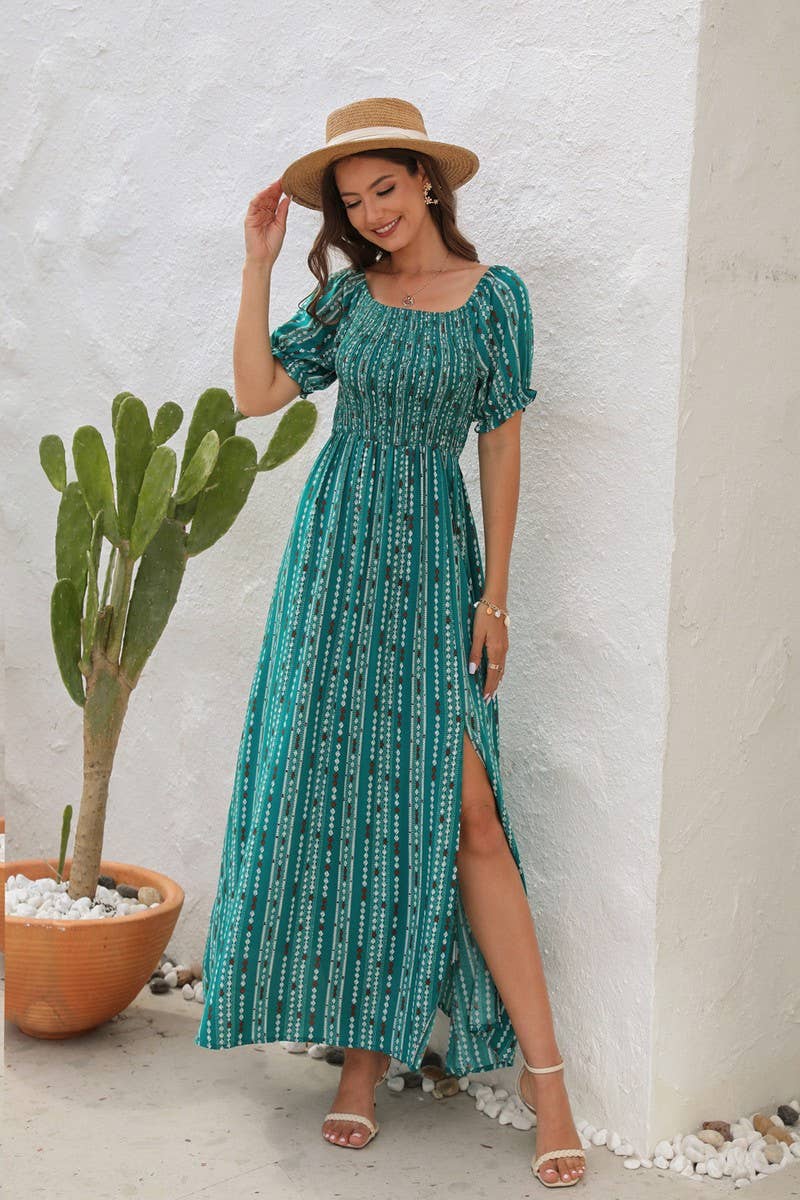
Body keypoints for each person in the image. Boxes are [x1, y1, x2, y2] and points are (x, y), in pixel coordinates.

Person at [194, 97, 585, 1188]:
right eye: (350, 201)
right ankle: (359, 1066)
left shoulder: (493, 298)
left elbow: (500, 448)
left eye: (384, 189)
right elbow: (257, 392)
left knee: (468, 817)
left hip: (429, 563)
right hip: (332, 563)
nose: (369, 214)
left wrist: (494, 598)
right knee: (348, 798)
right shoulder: (347, 300)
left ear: (425, 181)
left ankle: (549, 1081)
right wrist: (259, 263)